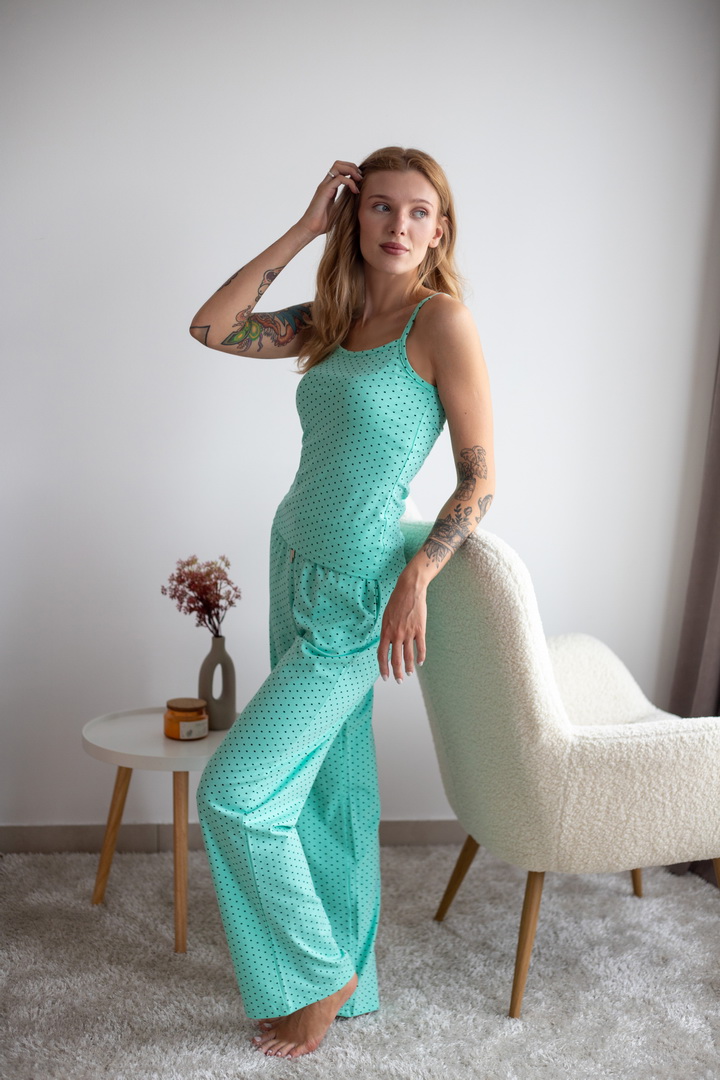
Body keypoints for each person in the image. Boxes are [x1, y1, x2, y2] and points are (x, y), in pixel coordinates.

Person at [192, 147, 495, 1060]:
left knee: (236, 794)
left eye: (419, 212)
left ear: (440, 230)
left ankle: (320, 977)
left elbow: (479, 480)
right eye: (380, 207)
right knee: (329, 785)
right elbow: (212, 326)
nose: (398, 226)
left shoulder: (440, 323)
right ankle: (348, 981)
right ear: (353, 217)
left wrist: (417, 577)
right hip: (292, 558)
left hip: (358, 590)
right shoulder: (333, 318)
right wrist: (302, 227)